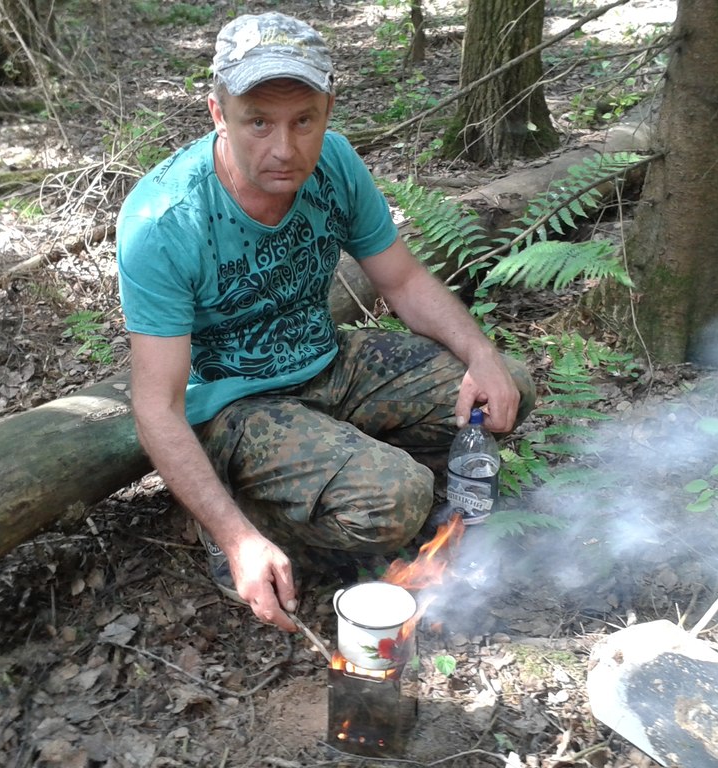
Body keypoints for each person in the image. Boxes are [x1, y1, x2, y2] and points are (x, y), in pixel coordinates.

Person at [116, 12, 535, 632]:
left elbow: (403, 281)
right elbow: (156, 405)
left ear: (328, 111)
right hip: (235, 408)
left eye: (303, 121)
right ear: (218, 114)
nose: (284, 149)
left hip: (329, 362)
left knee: (508, 387)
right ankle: (245, 521)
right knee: (398, 499)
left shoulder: (335, 164)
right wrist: (237, 539)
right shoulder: (165, 220)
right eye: (259, 122)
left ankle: (338, 475)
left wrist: (482, 354)